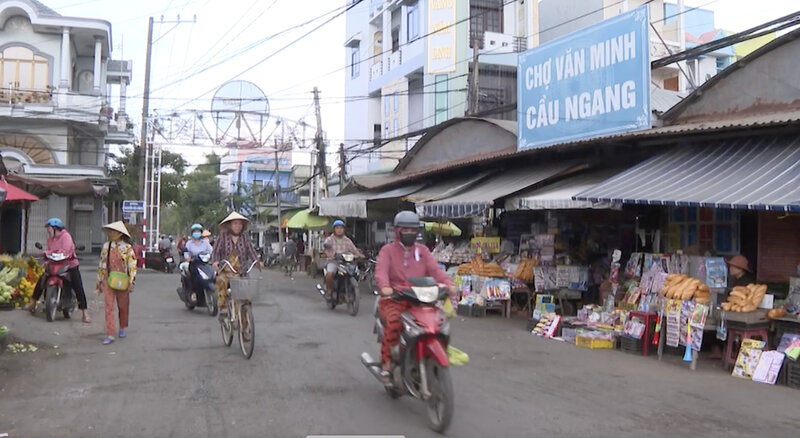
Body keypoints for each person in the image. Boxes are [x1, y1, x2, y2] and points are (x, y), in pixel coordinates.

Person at [374, 211, 456, 381]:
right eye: (406, 230)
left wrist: (448, 284)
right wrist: (385, 287)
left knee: (439, 324)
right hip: (395, 299)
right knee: (394, 323)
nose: (410, 233)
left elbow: (436, 271)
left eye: (413, 230)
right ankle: (387, 365)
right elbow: (381, 272)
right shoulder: (387, 251)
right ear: (397, 231)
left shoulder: (423, 251)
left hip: (420, 299)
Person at [26, 218, 91, 323]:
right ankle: (33, 302)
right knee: (42, 279)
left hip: (69, 265)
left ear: (56, 229)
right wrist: (46, 255)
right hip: (55, 265)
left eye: (49, 229)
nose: (48, 231)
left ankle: (85, 313)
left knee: (78, 286)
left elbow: (65, 251)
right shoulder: (50, 240)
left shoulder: (66, 237)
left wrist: (55, 252)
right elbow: (50, 251)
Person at [212, 212, 262, 318]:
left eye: (239, 224)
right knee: (221, 281)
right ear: (230, 225)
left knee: (246, 297)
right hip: (226, 270)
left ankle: (246, 322)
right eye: (235, 223)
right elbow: (216, 252)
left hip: (242, 272)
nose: (237, 226)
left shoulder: (244, 238)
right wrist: (215, 262)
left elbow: (251, 251)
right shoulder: (223, 237)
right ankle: (223, 308)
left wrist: (257, 262)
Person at [95, 221, 137, 345]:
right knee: (108, 306)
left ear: (119, 234)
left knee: (123, 306)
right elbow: (102, 264)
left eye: (113, 231)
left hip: (123, 279)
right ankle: (110, 333)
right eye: (110, 231)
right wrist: (99, 283)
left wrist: (131, 281)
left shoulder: (127, 248)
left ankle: (122, 327)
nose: (111, 233)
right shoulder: (106, 246)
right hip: (109, 278)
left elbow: (132, 265)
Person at [323, 220, 364, 299]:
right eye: (337, 228)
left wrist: (361, 255)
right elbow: (325, 250)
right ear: (334, 229)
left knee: (355, 273)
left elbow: (354, 250)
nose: (339, 230)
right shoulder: (329, 240)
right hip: (333, 262)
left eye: (341, 228)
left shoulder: (347, 240)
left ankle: (352, 291)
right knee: (330, 273)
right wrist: (330, 254)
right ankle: (329, 291)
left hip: (346, 263)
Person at [181, 224, 214, 301]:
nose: (197, 233)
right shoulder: (189, 243)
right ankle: (193, 293)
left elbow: (212, 251)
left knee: (212, 273)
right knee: (193, 276)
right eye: (195, 231)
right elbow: (186, 254)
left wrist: (213, 257)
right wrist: (188, 258)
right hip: (194, 264)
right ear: (192, 233)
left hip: (204, 263)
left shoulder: (205, 243)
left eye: (198, 231)